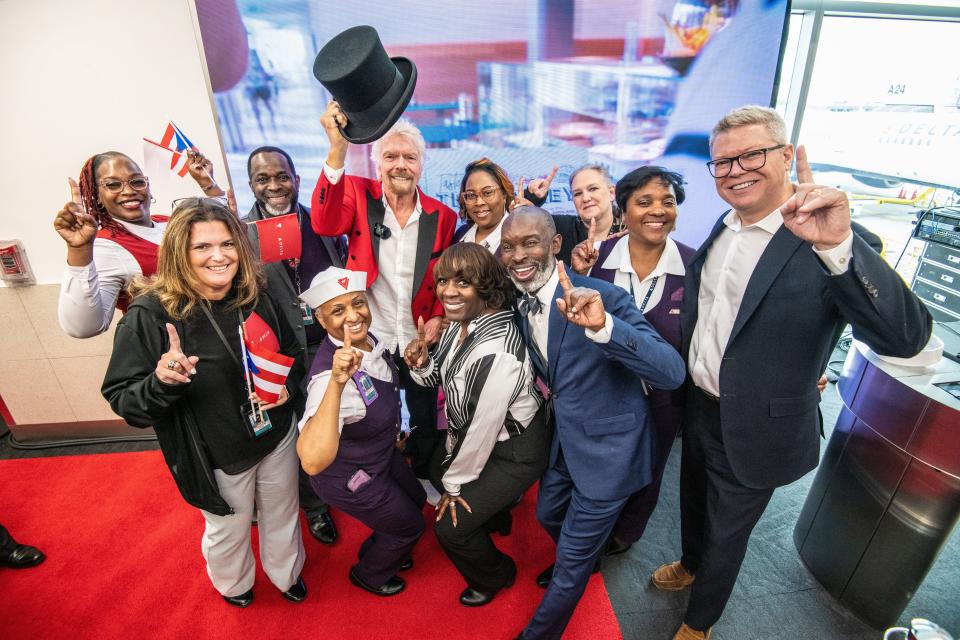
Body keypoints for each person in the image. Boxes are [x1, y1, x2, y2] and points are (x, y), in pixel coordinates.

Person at [652, 106, 932, 640]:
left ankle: (699, 621)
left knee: (728, 532)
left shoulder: (829, 239)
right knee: (692, 501)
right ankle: (689, 564)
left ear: (785, 156)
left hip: (760, 424)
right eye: (722, 162)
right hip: (701, 406)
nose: (734, 171)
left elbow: (905, 336)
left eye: (750, 155)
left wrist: (838, 247)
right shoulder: (726, 224)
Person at [101, 199, 307, 608]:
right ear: (180, 252)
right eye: (203, 247)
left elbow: (292, 353)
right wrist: (162, 382)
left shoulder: (254, 294)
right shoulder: (149, 315)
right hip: (217, 453)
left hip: (275, 434)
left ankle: (286, 575)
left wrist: (285, 384)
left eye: (228, 244)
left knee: (283, 514)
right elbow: (124, 401)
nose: (219, 256)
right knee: (227, 531)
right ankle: (234, 585)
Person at [500, 206, 686, 640]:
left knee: (569, 569)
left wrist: (604, 327)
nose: (518, 254)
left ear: (555, 245)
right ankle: (588, 553)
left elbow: (671, 372)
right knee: (548, 515)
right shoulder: (517, 301)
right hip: (565, 443)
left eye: (530, 242)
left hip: (611, 454)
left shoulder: (604, 297)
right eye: (508, 246)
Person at [311, 102, 457, 488]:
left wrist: (440, 316)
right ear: (377, 164)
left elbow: (443, 275)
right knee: (379, 413)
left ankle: (425, 469)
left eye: (409, 157)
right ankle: (386, 472)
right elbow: (324, 223)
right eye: (390, 156)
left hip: (419, 335)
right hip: (370, 336)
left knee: (425, 411)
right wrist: (337, 149)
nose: (400, 164)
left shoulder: (443, 216)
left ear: (422, 165)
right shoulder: (360, 196)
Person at [405, 243, 550, 607]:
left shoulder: (497, 349)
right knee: (438, 471)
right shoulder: (461, 323)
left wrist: (455, 488)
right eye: (443, 282)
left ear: (485, 286)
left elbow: (479, 431)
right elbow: (441, 379)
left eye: (462, 282)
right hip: (477, 436)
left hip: (515, 450)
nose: (448, 292)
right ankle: (495, 516)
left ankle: (497, 575)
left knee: (449, 528)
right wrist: (422, 364)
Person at [571, 166, 694, 556]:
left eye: (668, 201)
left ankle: (626, 532)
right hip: (601, 392)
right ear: (622, 209)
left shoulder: (695, 266)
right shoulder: (595, 259)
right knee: (597, 469)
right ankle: (590, 530)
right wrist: (578, 276)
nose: (658, 210)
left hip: (662, 399)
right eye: (644, 202)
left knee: (650, 470)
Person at [296, 267, 426, 597]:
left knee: (417, 499)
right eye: (337, 311)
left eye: (358, 303)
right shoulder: (328, 378)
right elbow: (311, 461)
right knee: (411, 525)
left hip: (379, 454)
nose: (354, 316)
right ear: (321, 320)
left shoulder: (369, 340)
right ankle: (369, 574)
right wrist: (338, 383)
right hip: (349, 477)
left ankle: (389, 543)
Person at [243, 145, 344, 545]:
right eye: (263, 179)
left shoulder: (321, 223)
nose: (274, 186)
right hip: (279, 355)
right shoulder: (242, 234)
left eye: (281, 176)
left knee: (335, 420)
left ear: (296, 179)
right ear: (251, 185)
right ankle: (315, 508)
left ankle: (343, 486)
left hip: (327, 346)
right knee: (298, 434)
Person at [56, 149, 224, 338]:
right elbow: (83, 328)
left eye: (136, 182)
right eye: (113, 185)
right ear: (97, 196)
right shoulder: (107, 247)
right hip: (175, 349)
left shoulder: (167, 222)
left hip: (219, 330)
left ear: (147, 185)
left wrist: (207, 182)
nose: (128, 191)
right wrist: (79, 249)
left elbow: (225, 231)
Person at [452, 158, 513, 253]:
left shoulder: (518, 236)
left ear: (504, 194)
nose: (479, 202)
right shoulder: (460, 234)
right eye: (471, 195)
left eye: (487, 193)